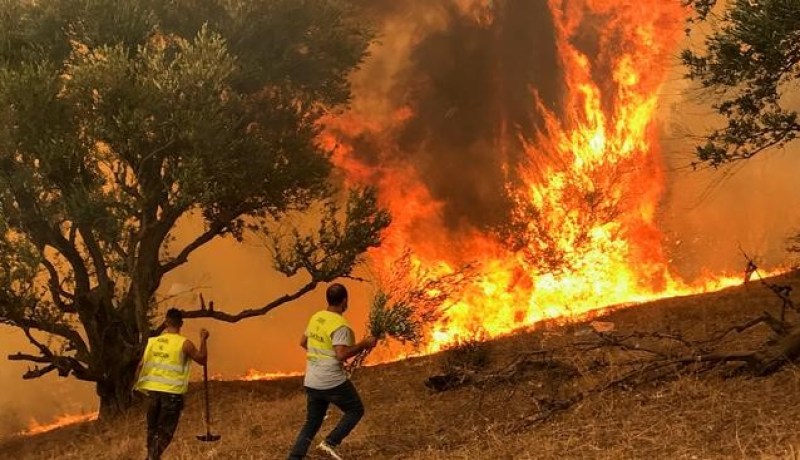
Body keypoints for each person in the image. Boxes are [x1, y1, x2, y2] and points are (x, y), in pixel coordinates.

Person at [288, 283, 377, 460]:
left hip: (312, 381)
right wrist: (364, 344)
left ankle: (294, 458)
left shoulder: (317, 317)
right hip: (331, 381)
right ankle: (329, 443)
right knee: (355, 409)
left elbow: (303, 342)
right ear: (345, 301)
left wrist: (320, 358)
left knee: (312, 422)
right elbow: (341, 354)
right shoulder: (340, 325)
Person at [134, 308, 209, 460]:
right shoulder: (184, 343)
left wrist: (136, 386)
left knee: (153, 430)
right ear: (181, 323)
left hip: (153, 393)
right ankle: (152, 458)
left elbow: (141, 365)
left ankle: (151, 456)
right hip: (172, 394)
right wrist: (203, 339)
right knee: (165, 431)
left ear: (166, 322)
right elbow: (202, 359)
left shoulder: (153, 342)